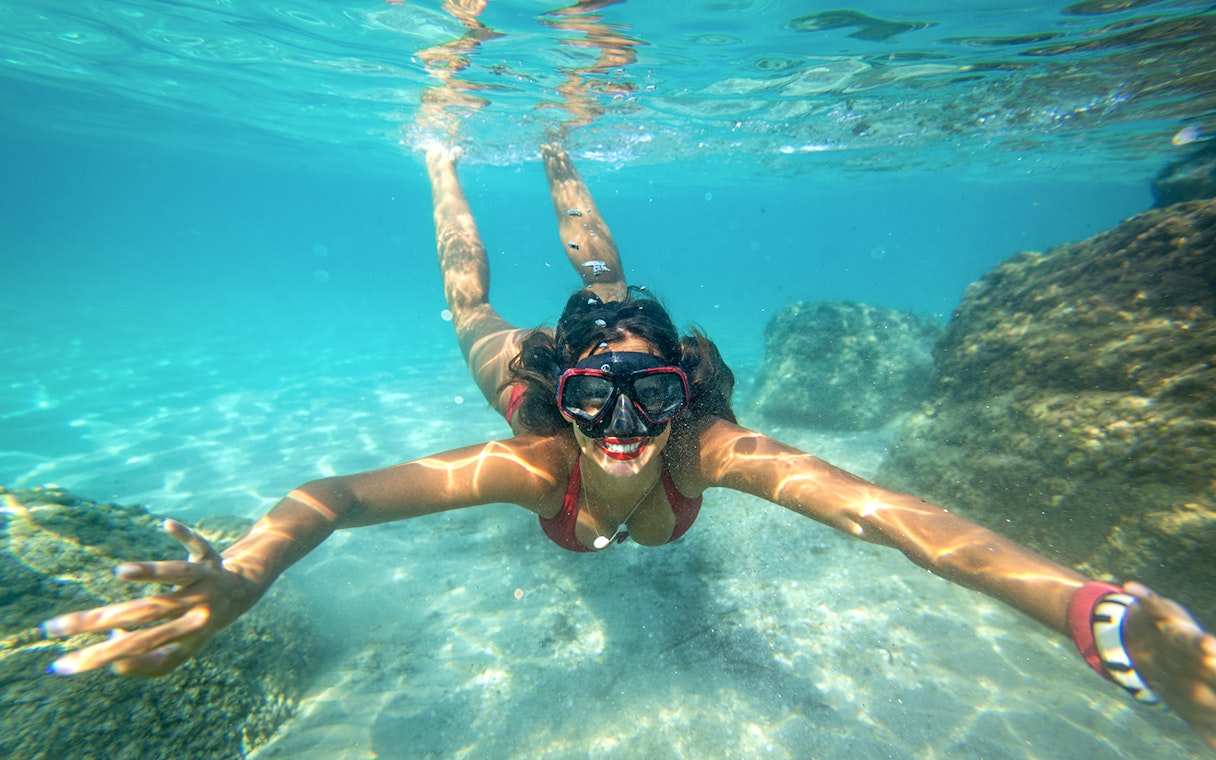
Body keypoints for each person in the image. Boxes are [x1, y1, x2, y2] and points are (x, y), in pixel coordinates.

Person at [39, 142, 1216, 749]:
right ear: (570, 393)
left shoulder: (707, 446)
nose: (621, 428)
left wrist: (1090, 611)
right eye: (597, 398)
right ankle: (447, 167)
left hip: (606, 342)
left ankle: (561, 159)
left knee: (608, 271)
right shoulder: (538, 449)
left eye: (650, 395)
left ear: (683, 393)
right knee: (471, 308)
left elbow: (885, 516)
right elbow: (329, 497)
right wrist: (244, 572)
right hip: (522, 372)